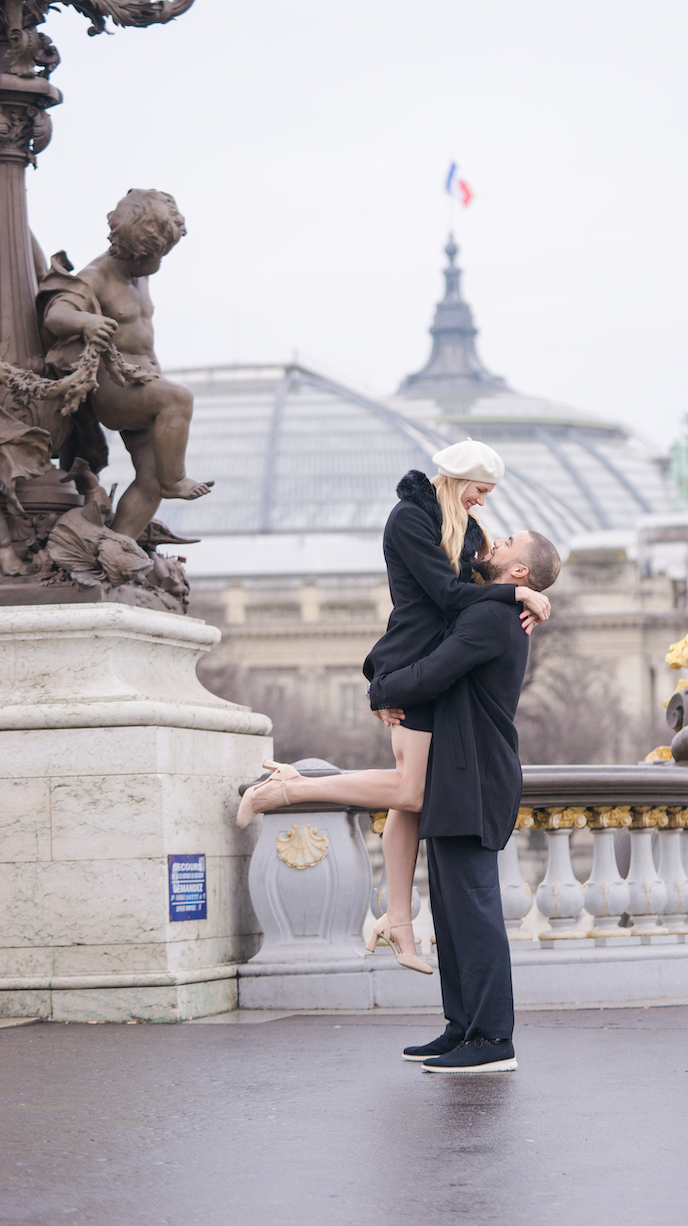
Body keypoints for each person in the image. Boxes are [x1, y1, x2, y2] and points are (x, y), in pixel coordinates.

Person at [237, 439, 552, 974]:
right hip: (413, 665)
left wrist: (530, 594)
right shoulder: (408, 520)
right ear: (457, 478)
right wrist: (516, 597)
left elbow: (500, 580)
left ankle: (398, 920)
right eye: (480, 489)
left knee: (409, 798)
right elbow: (449, 597)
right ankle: (286, 791)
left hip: (439, 669)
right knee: (409, 788)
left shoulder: (471, 534)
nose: (483, 502)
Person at [372, 529, 562, 1074]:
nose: (493, 541)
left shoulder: (490, 619)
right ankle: (463, 1028)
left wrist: (381, 691)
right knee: (454, 913)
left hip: (475, 777)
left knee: (474, 912)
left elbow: (432, 674)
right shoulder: (497, 608)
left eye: (506, 542)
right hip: (463, 774)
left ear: (520, 571)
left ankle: (492, 1040)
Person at [37, 189, 213, 540]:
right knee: (179, 398)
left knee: (150, 482)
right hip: (115, 390)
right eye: (156, 255)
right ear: (134, 252)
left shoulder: (140, 272)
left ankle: (115, 548)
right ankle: (175, 478)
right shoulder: (96, 276)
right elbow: (56, 314)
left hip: (143, 385)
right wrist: (86, 322)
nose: (160, 262)